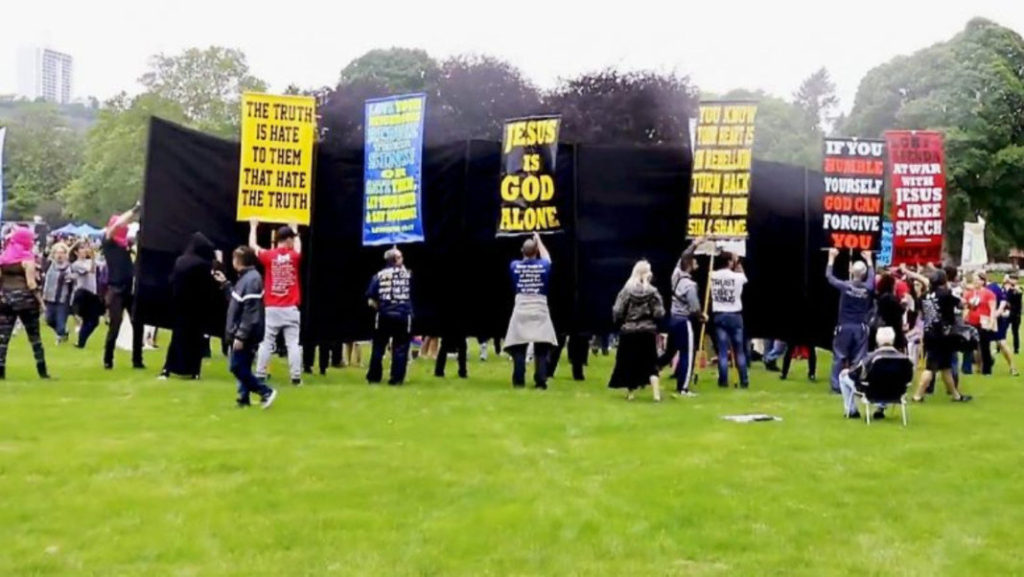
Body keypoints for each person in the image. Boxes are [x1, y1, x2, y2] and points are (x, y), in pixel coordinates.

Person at [215, 246, 276, 409]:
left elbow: (251, 311)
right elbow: (238, 301)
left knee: (236, 366)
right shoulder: (246, 278)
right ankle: (243, 399)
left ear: (238, 261)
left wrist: (241, 335)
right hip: (246, 330)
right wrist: (225, 284)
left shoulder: (251, 280)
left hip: (247, 333)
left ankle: (265, 391)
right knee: (244, 365)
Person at [249, 220, 303, 385]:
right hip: (290, 307)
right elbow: (298, 248)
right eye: (292, 239)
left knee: (266, 343)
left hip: (272, 307)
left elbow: (253, 245)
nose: (293, 241)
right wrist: (295, 228)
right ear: (287, 240)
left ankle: (260, 373)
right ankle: (295, 377)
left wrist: (253, 226)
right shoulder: (293, 256)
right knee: (293, 344)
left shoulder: (269, 256)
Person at [160, 232, 221, 380]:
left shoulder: (181, 261)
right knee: (195, 340)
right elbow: (208, 286)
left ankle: (168, 368)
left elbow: (172, 281)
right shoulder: (203, 264)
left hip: (180, 306)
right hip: (197, 308)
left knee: (177, 338)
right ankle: (194, 370)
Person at [503, 233, 557, 390]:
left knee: (519, 346)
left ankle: (519, 380)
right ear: (536, 252)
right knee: (541, 348)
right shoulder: (543, 265)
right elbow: (548, 258)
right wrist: (539, 240)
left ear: (522, 251)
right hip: (540, 307)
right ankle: (541, 380)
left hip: (521, 307)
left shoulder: (514, 265)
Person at [911, 270, 973, 404]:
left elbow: (922, 314)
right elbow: (961, 304)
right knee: (930, 367)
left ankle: (956, 395)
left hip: (929, 333)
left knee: (946, 367)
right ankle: (917, 395)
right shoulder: (945, 294)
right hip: (943, 334)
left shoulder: (924, 296)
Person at [608, 260, 665, 401]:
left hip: (629, 332)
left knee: (630, 363)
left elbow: (618, 311)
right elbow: (659, 313)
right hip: (647, 331)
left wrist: (620, 321)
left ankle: (631, 393)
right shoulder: (653, 292)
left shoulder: (626, 290)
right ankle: (656, 395)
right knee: (651, 363)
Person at [0, 227, 49, 379]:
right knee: (34, 336)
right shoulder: (27, 259)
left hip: (6, 299)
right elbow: (31, 283)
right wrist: (41, 302)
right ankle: (42, 371)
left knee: (3, 337)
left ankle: (1, 371)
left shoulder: (4, 258)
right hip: (26, 300)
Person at [826, 249, 874, 394]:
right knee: (859, 358)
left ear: (851, 271)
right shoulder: (867, 288)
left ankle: (836, 386)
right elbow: (872, 277)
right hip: (860, 327)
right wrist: (869, 259)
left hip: (845, 326)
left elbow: (829, 277)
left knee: (840, 356)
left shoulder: (845, 286)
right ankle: (855, 383)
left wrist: (831, 258)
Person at [102, 205, 145, 370]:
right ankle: (108, 360)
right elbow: (116, 226)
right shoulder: (109, 243)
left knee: (138, 323)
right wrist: (135, 209)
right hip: (116, 289)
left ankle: (137, 359)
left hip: (129, 287)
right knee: (115, 325)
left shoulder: (125, 245)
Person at [838, 327, 913, 420]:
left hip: (871, 392)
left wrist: (848, 372)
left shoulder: (871, 358)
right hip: (897, 392)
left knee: (843, 375)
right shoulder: (904, 359)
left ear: (877, 340)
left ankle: (852, 410)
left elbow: (854, 374)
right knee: (887, 379)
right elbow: (909, 379)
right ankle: (880, 408)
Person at [659, 240, 704, 395]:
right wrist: (702, 316)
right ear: (690, 264)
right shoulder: (690, 286)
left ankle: (650, 370)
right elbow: (695, 308)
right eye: (695, 260)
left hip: (672, 320)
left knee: (670, 352)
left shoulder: (675, 275)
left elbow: (684, 256)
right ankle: (683, 387)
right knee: (687, 353)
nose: (697, 261)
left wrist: (696, 243)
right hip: (684, 322)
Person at [366, 247, 413, 385]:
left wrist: (380, 307)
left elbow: (370, 300)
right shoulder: (408, 275)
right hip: (403, 316)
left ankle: (374, 376)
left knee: (378, 347)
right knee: (401, 348)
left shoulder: (379, 276)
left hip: (384, 315)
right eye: (401, 257)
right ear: (396, 260)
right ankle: (396, 378)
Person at [708, 251, 749, 388]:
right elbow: (744, 277)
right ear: (729, 262)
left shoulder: (712, 275)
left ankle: (723, 380)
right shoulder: (737, 277)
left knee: (722, 350)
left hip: (720, 314)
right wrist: (737, 262)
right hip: (735, 315)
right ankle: (744, 379)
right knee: (739, 351)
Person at [70, 241, 102, 348]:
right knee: (91, 319)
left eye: (85, 248)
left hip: (92, 293)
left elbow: (102, 265)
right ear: (76, 252)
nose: (85, 250)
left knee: (92, 321)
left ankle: (81, 342)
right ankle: (81, 340)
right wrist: (93, 258)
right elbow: (91, 271)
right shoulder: (76, 264)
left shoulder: (89, 261)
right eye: (82, 248)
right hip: (83, 293)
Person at [985, 273, 1019, 376]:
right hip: (986, 318)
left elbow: (1003, 303)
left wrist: (997, 314)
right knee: (982, 343)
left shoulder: (996, 289)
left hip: (998, 318)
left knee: (1002, 342)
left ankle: (1012, 367)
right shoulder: (994, 288)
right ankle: (984, 366)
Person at [963, 272, 996, 375]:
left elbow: (992, 308)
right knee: (968, 346)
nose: (975, 281)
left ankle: (987, 370)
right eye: (974, 279)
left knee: (984, 346)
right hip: (971, 322)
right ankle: (967, 369)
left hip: (983, 322)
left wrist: (991, 321)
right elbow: (966, 306)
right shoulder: (970, 293)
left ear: (983, 281)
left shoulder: (988, 293)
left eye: (977, 279)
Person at [42, 242, 75, 345]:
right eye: (57, 253)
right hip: (49, 298)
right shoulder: (49, 265)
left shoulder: (69, 267)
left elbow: (72, 282)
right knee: (49, 320)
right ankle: (63, 332)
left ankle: (60, 335)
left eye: (62, 253)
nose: (59, 255)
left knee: (61, 322)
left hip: (63, 299)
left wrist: (71, 279)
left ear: (66, 254)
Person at [873, 273, 907, 351]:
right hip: (892, 331)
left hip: (882, 329)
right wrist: (903, 305)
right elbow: (899, 311)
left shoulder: (880, 297)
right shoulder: (890, 298)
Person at [1006, 275, 1022, 355]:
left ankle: (1016, 349)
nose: (1012, 281)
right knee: (1003, 329)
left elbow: (1019, 293)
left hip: (1016, 314)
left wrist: (1015, 289)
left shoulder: (1019, 289)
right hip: (1009, 313)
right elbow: (1007, 299)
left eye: (1014, 279)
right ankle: (999, 347)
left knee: (1015, 332)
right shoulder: (1009, 290)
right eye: (1011, 279)